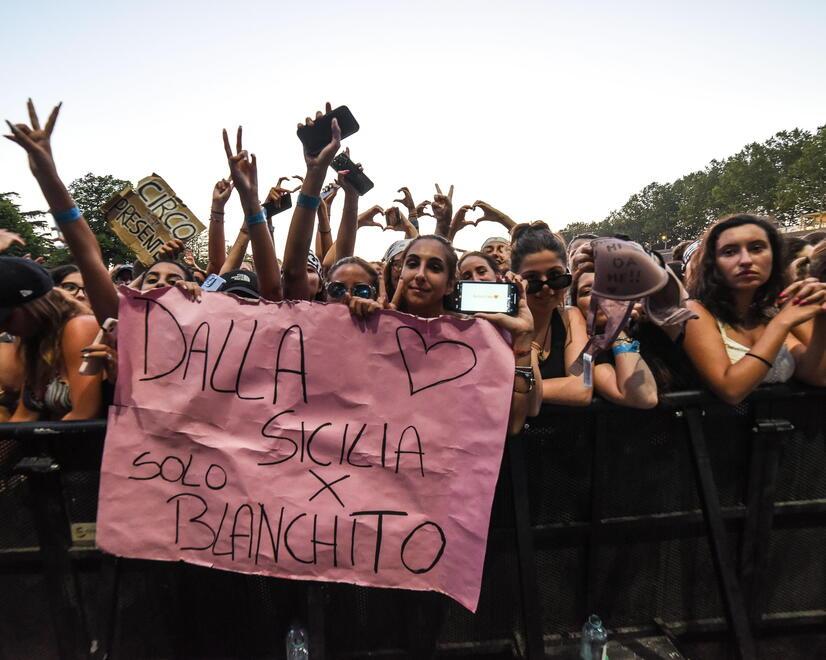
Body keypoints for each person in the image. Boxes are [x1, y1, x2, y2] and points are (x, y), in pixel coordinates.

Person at [684, 214, 826, 404]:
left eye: (757, 248)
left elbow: (816, 376)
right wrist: (782, 323)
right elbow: (731, 390)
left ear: (774, 257)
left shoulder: (769, 312)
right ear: (713, 264)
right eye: (729, 252)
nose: (745, 260)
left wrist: (821, 316)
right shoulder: (695, 312)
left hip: (781, 430)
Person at [0, 257, 102, 421]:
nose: (4, 329)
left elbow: (84, 414)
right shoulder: (38, 339)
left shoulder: (79, 327)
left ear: (33, 306)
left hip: (91, 443)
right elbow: (25, 415)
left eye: (7, 319)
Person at [511, 222, 592, 406]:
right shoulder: (501, 323)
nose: (546, 288)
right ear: (516, 280)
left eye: (555, 276)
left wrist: (513, 391)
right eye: (532, 279)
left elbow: (584, 385)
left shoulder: (573, 317)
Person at [571, 271, 658, 408]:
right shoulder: (583, 352)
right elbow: (645, 397)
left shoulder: (652, 329)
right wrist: (616, 328)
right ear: (576, 305)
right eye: (587, 292)